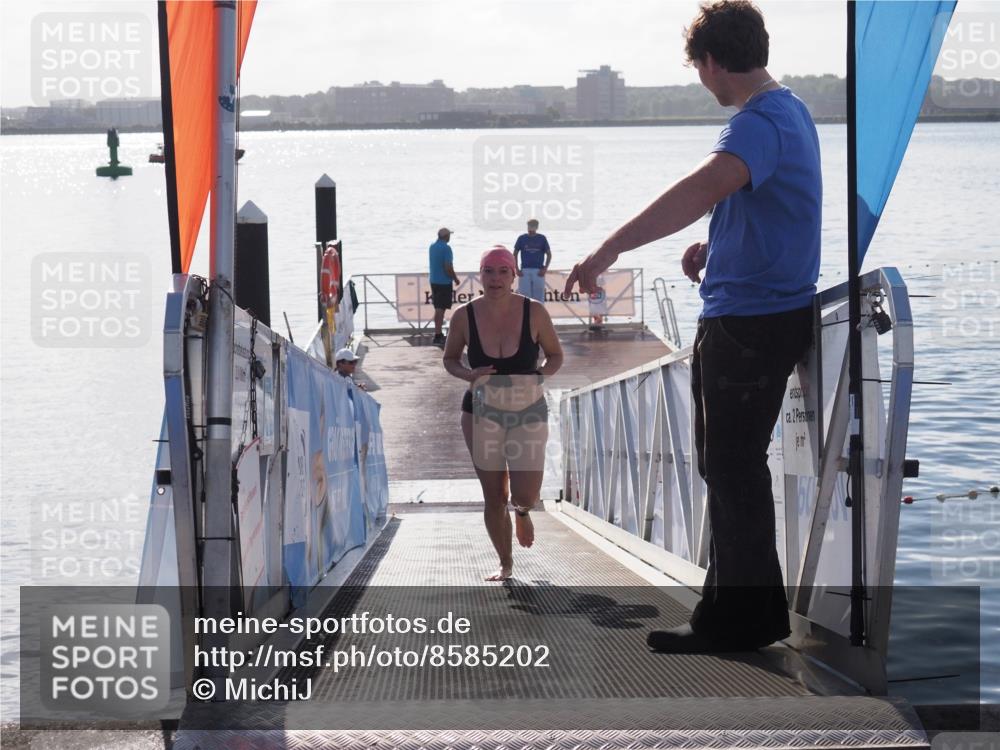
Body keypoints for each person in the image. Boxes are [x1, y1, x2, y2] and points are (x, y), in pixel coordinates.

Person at [564, 0, 820, 653]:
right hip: (756, 310)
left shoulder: (759, 123)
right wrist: (717, 249)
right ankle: (743, 613)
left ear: (712, 62)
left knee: (732, 468)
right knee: (730, 467)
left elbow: (696, 191)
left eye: (699, 67)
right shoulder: (788, 114)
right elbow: (767, 209)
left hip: (750, 322)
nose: (701, 79)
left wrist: (606, 252)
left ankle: (741, 622)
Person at [443, 246, 564, 581]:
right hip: (481, 411)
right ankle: (505, 564)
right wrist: (469, 374)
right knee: (494, 495)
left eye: (502, 271)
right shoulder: (464, 315)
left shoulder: (534, 312)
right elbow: (450, 359)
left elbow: (555, 356)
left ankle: (523, 511)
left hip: (527, 410)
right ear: (479, 275)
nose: (495, 278)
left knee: (525, 493)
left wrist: (539, 375)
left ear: (514, 275)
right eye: (488, 271)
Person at [429, 227, 461, 344]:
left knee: (438, 308)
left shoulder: (432, 246)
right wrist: (455, 278)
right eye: (449, 235)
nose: (450, 237)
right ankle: (438, 335)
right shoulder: (446, 248)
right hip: (443, 282)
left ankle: (438, 333)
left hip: (434, 280)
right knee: (440, 310)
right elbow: (448, 267)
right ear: (446, 236)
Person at [513, 219, 551, 303]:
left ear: (537, 227)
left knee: (539, 298)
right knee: (524, 297)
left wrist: (545, 268)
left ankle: (539, 315)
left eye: (533, 226)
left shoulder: (542, 238)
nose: (530, 228)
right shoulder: (521, 238)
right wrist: (517, 269)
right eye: (529, 226)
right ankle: (525, 315)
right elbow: (515, 254)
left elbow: (549, 254)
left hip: (538, 271)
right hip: (525, 270)